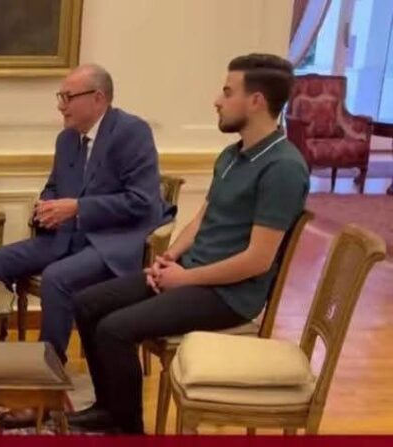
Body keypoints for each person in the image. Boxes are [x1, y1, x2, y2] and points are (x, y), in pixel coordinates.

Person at [68, 54, 308, 434]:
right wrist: (170, 258)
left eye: (227, 92)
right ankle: (108, 409)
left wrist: (185, 279)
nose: (217, 100)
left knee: (114, 329)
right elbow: (202, 218)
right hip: (192, 273)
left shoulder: (283, 168)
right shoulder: (232, 155)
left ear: (256, 101)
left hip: (230, 295)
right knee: (86, 303)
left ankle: (127, 430)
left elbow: (258, 260)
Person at [0, 64, 167, 362]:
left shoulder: (132, 132)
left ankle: (48, 367)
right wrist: (46, 206)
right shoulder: (66, 139)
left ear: (98, 98)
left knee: (56, 278)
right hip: (65, 237)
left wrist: (78, 208)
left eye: (68, 97)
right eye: (60, 97)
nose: (60, 106)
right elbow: (54, 186)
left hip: (110, 243)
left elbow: (142, 201)